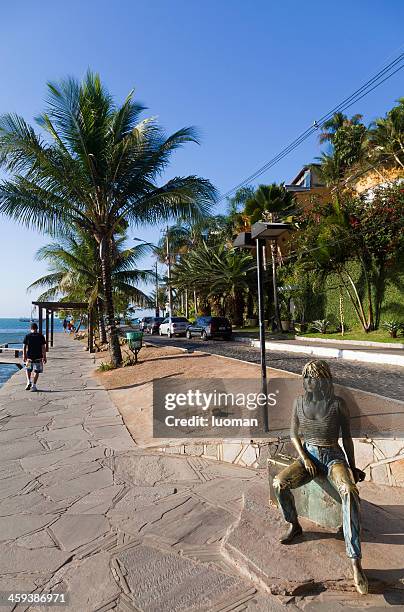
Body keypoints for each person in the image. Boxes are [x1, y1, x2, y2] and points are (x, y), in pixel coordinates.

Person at [272, 360, 368, 595]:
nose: (307, 382)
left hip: (334, 456)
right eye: (305, 377)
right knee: (279, 483)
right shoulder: (299, 402)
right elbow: (293, 433)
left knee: (349, 491)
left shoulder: (338, 404)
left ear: (324, 380)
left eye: (312, 377)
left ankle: (355, 560)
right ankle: (294, 525)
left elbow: (346, 440)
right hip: (309, 455)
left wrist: (353, 468)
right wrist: (304, 458)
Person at [23, 322, 47, 392]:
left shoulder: (27, 336)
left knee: (28, 369)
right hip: (38, 357)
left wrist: (24, 355)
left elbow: (24, 347)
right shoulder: (41, 336)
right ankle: (34, 385)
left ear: (31, 328)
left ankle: (28, 381)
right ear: (37, 328)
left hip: (29, 357)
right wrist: (44, 356)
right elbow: (43, 347)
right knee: (37, 371)